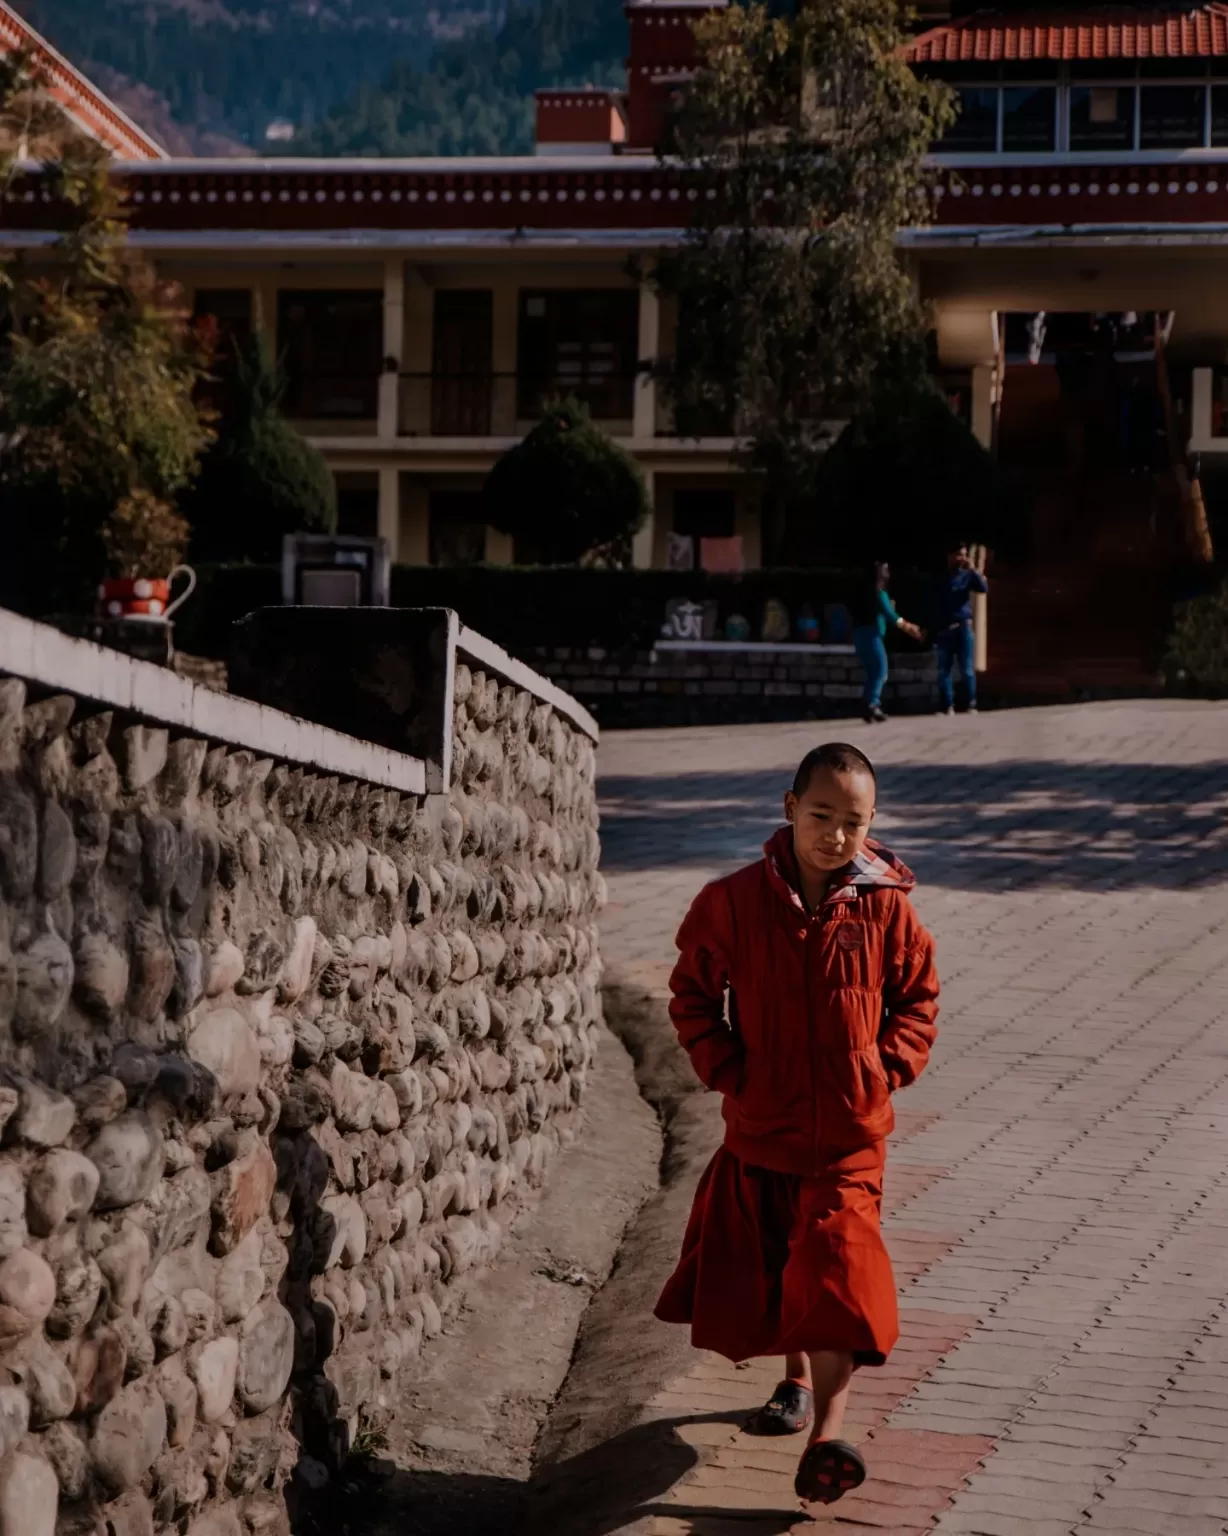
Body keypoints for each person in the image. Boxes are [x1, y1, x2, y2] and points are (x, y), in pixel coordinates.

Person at [654, 742, 940, 1510]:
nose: (837, 837)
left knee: (840, 1267)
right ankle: (794, 1382)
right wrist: (728, 1070)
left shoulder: (885, 906)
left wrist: (887, 1066)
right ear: (789, 808)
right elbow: (689, 993)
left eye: (854, 822)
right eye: (822, 816)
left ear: (871, 824)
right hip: (763, 1127)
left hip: (851, 1133)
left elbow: (918, 998)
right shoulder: (734, 902)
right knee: (783, 1265)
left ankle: (830, 1435)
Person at [850, 562, 924, 725]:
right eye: (885, 571)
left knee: (871, 672)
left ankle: (868, 705)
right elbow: (891, 615)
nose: (888, 574)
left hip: (860, 636)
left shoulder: (864, 593)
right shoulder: (879, 593)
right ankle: (873, 704)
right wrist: (909, 627)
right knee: (880, 671)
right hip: (872, 636)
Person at [933, 543, 988, 716]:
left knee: (967, 668)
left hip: (964, 626)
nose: (959, 559)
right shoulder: (941, 578)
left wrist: (973, 569)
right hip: (945, 628)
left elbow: (983, 588)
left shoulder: (968, 576)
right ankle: (947, 705)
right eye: (957, 555)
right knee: (944, 669)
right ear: (949, 557)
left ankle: (971, 704)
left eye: (962, 555)